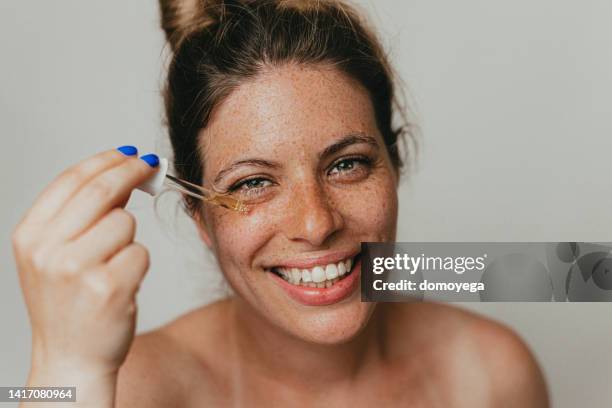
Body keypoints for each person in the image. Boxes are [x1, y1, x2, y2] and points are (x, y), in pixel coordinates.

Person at [12, 1, 549, 406]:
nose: (316, 224)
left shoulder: (492, 373)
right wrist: (61, 370)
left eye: (347, 164)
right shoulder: (127, 388)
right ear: (199, 215)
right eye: (252, 183)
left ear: (394, 164)